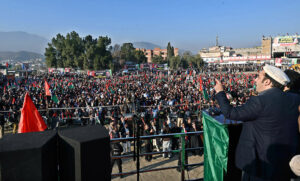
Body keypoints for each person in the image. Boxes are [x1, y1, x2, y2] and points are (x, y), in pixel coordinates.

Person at [214, 64, 300, 181]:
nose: (255, 80)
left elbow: (231, 113)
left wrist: (220, 92)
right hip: (282, 165)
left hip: (259, 166)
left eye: (258, 77)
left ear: (267, 82)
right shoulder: (294, 99)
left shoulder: (260, 101)